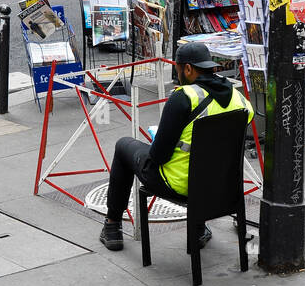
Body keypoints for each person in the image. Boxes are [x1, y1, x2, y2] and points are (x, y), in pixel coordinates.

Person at [99, 41, 253, 252]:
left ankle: (112, 225)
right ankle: (198, 228)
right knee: (202, 157)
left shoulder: (184, 97)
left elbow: (159, 156)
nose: (178, 74)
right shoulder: (240, 100)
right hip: (222, 186)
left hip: (180, 184)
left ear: (188, 69)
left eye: (178, 69)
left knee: (123, 146)